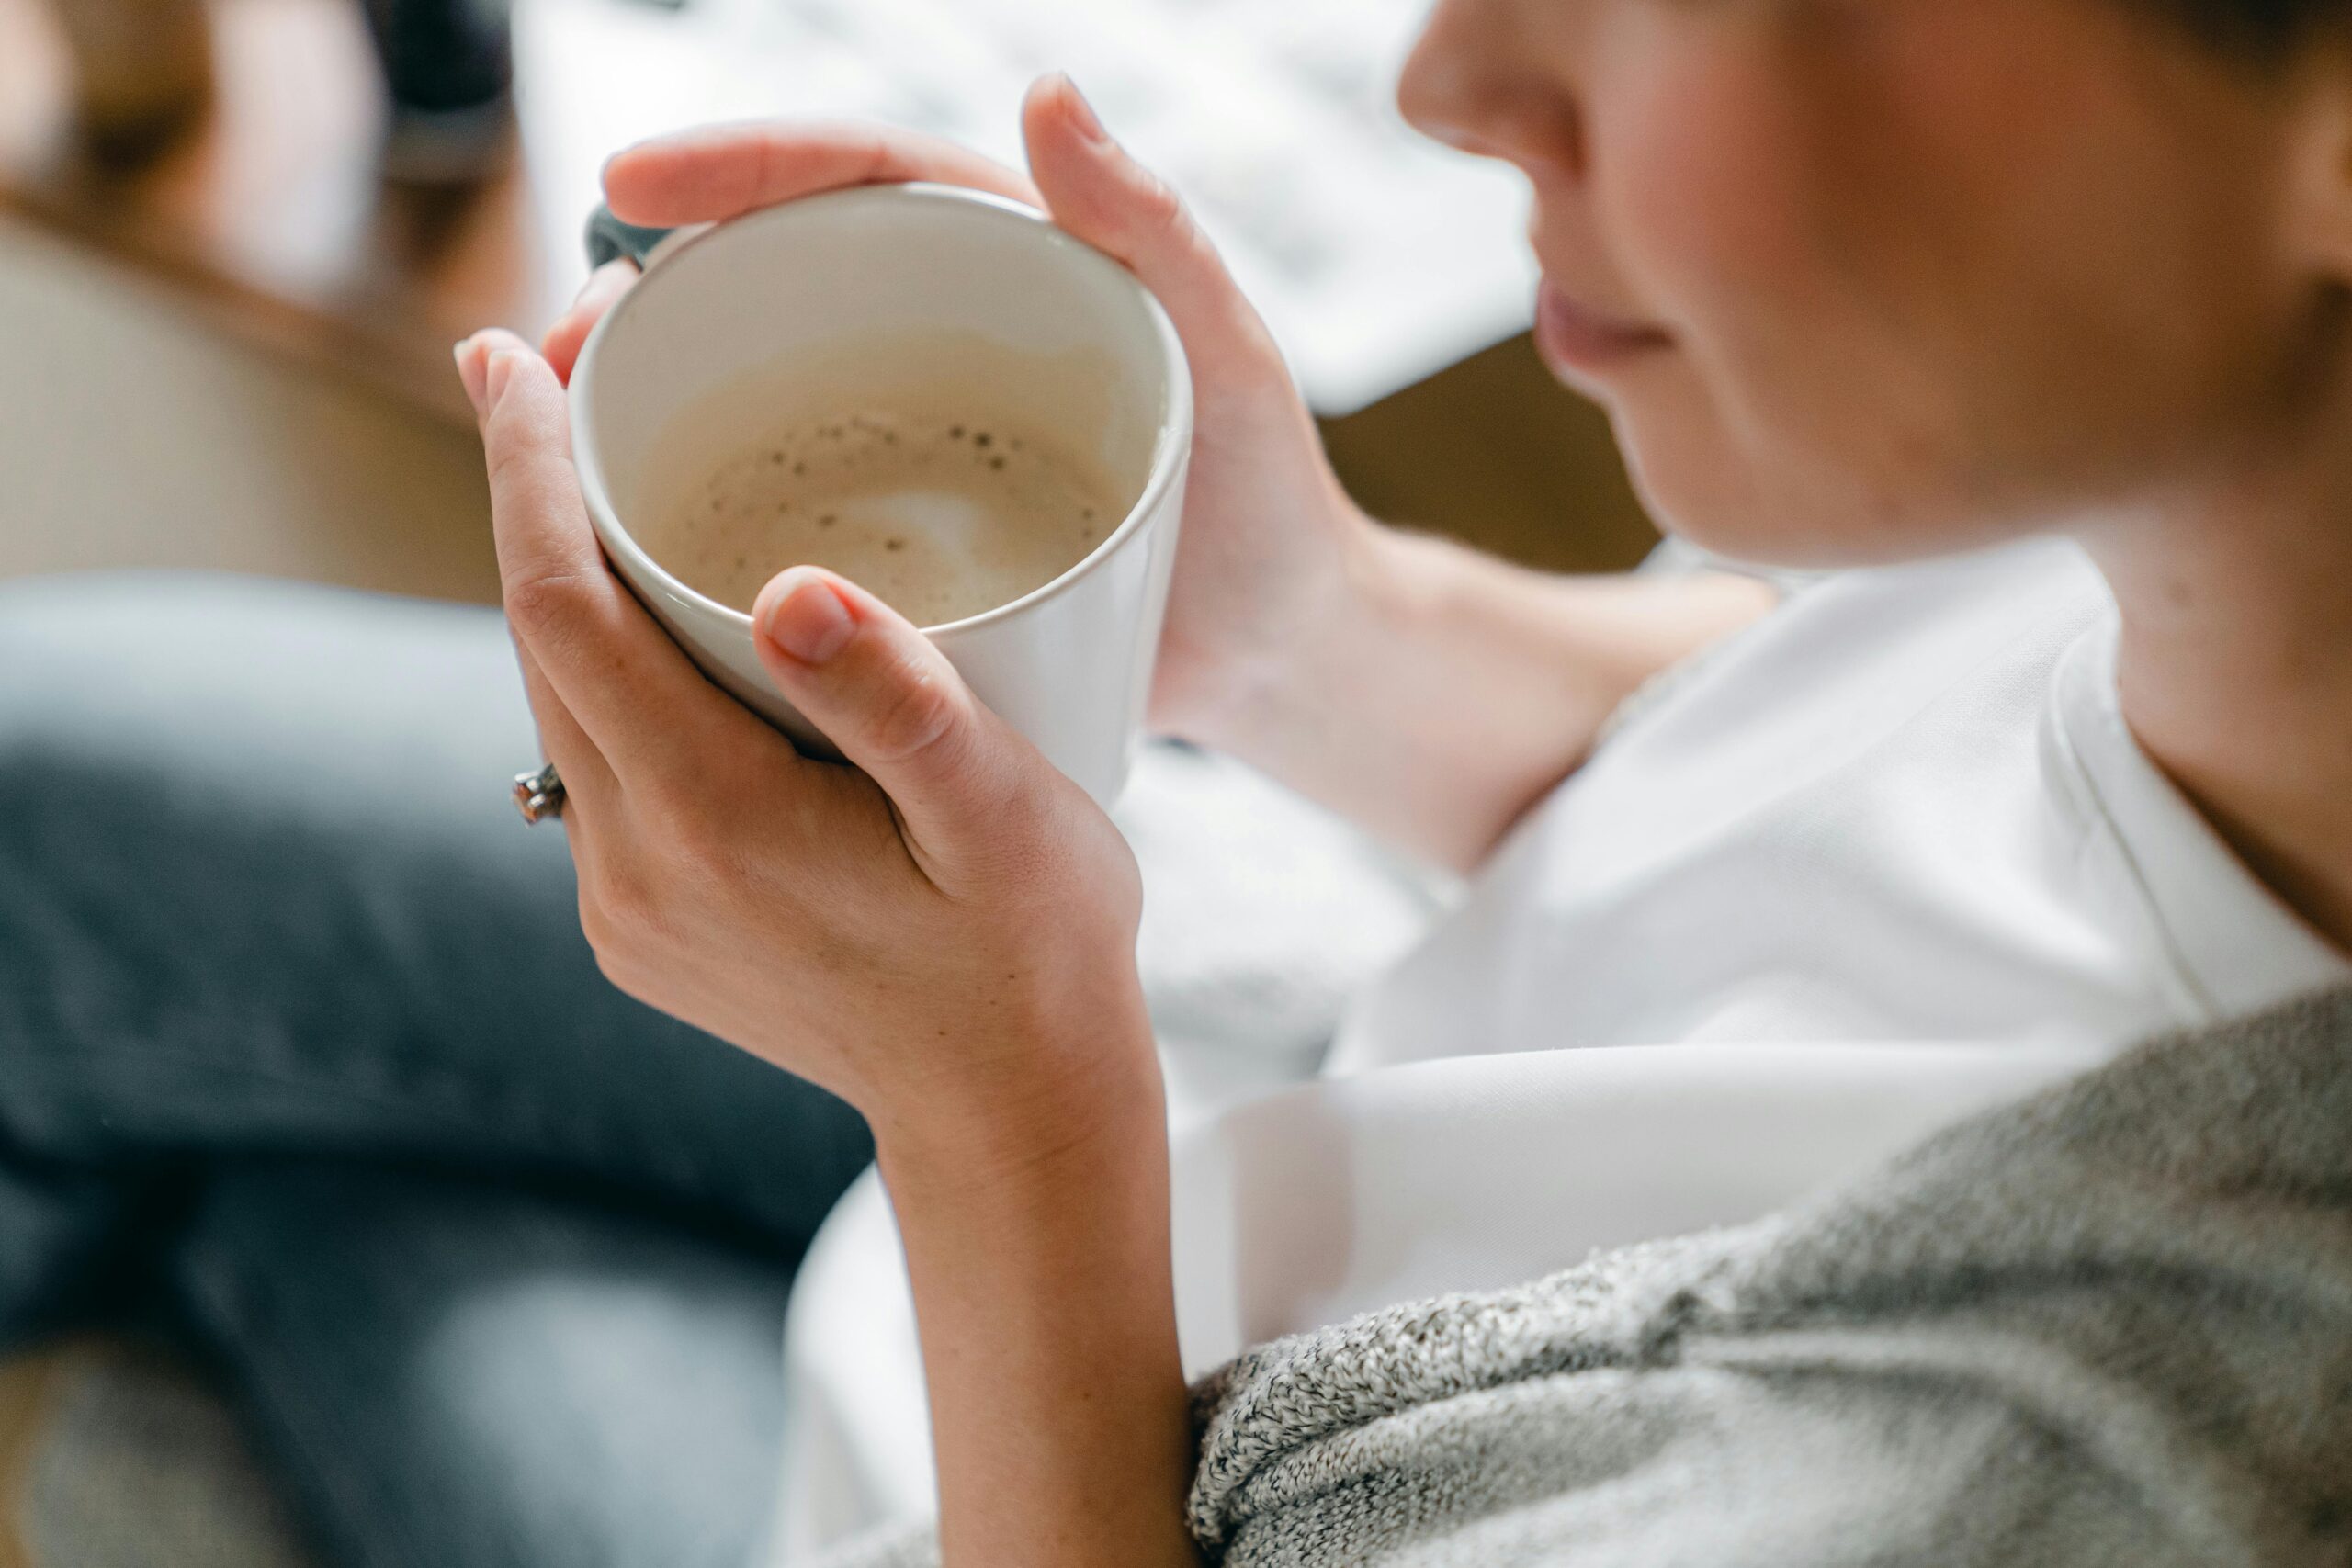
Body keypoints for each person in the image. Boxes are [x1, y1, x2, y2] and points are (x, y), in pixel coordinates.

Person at [3, 0, 2349, 1563]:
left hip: (1014, 1411)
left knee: (293, 1226)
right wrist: (1297, 625)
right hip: (1236, 1000)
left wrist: (997, 1123)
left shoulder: (2114, 1456)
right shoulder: (2182, 489)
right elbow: (1825, 756)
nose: (1450, 78)